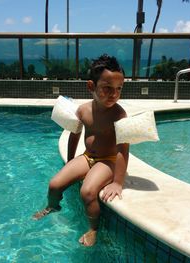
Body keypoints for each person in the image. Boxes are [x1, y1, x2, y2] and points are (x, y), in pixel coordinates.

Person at [33, 54, 129, 247]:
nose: (114, 94)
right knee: (54, 184)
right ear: (91, 87)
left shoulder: (119, 114)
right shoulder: (83, 110)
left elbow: (123, 150)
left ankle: (93, 229)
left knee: (87, 192)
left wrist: (118, 182)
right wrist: (70, 161)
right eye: (107, 89)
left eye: (119, 89)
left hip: (108, 160)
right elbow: (74, 134)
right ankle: (52, 206)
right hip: (87, 157)